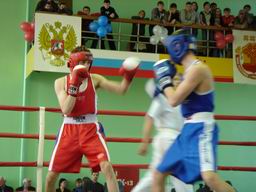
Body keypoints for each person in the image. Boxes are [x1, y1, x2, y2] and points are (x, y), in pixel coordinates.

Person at [45, 45, 140, 192]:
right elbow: (66, 109)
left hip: (90, 129)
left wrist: (128, 76)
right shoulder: (60, 82)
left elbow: (121, 90)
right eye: (83, 62)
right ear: (73, 63)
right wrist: (74, 85)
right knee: (51, 176)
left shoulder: (95, 79)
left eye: (89, 62)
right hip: (69, 129)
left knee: (107, 167)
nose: (86, 65)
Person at [152, 30, 235, 192]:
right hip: (187, 130)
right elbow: (175, 97)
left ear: (177, 46)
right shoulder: (187, 73)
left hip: (202, 128)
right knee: (158, 174)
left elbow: (174, 100)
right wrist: (165, 84)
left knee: (209, 177)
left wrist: (163, 79)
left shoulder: (199, 69)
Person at [131, 78, 194, 192]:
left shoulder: (182, 100)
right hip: (168, 139)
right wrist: (144, 142)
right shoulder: (163, 97)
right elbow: (150, 117)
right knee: (181, 175)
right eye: (176, 79)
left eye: (181, 79)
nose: (178, 81)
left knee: (154, 175)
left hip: (172, 139)